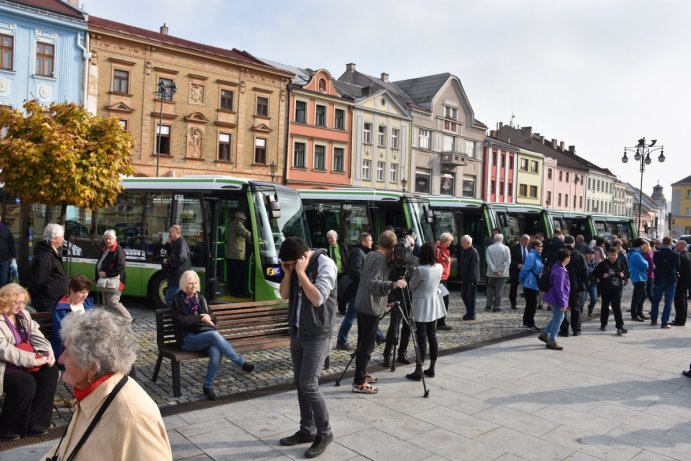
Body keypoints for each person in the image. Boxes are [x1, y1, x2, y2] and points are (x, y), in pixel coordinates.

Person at [44, 309, 172, 460]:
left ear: (92, 367)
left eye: (68, 352)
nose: (60, 359)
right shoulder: (92, 393)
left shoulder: (133, 417)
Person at [278, 236, 336, 458]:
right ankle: (307, 430)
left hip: (318, 334)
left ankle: (325, 432)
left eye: (292, 264)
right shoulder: (292, 268)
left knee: (309, 384)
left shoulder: (325, 264)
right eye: (287, 264)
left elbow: (318, 298)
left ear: (302, 257)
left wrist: (301, 273)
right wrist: (288, 273)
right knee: (300, 383)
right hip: (298, 332)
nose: (290, 267)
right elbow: (284, 294)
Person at [172, 270, 254, 400]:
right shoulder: (177, 300)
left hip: (203, 336)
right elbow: (180, 323)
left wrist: (207, 316)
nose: (194, 286)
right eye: (190, 283)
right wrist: (200, 317)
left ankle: (208, 387)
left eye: (195, 283)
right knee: (214, 336)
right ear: (184, 284)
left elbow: (213, 318)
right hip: (187, 340)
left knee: (216, 351)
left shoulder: (200, 299)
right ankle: (240, 362)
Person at [0, 283, 58, 440]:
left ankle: (36, 423)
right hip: (5, 365)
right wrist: (33, 360)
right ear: (4, 300)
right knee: (25, 383)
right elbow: (4, 349)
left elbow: (36, 334)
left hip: (24, 361)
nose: (20, 306)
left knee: (50, 371)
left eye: (23, 302)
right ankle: (8, 428)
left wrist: (48, 351)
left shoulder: (23, 314)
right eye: (16, 302)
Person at [352, 230, 406, 394]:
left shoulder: (371, 254)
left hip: (364, 304)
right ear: (392, 246)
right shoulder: (379, 259)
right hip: (369, 307)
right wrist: (392, 285)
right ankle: (359, 382)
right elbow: (372, 283)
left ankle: (361, 373)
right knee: (367, 346)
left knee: (363, 343)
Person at [405, 242, 445, 381]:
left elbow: (411, 286)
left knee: (421, 338)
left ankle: (418, 370)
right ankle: (432, 368)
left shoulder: (421, 270)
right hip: (432, 303)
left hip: (420, 305)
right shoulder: (439, 267)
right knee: (432, 336)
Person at [336, 232, 377, 350]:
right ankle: (341, 341)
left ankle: (378, 336)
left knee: (366, 315)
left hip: (362, 289)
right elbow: (355, 272)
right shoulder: (357, 252)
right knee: (351, 316)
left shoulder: (364, 252)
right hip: (357, 290)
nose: (372, 242)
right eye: (370, 240)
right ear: (363, 241)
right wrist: (368, 280)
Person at [51, 274, 95, 359]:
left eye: (87, 292)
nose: (85, 295)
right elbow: (60, 336)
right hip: (67, 349)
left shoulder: (87, 304)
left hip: (86, 345)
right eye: (82, 292)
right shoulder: (60, 309)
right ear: (71, 290)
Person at [29, 223, 68, 312]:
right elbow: (39, 280)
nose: (63, 239)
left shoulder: (49, 253)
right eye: (62, 237)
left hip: (52, 300)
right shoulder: (46, 256)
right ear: (54, 239)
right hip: (47, 302)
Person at [537, 248, 571, 350]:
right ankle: (552, 340)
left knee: (557, 317)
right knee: (559, 318)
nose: (570, 259)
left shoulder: (558, 267)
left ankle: (544, 334)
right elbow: (559, 289)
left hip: (555, 297)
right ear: (566, 258)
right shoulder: (560, 270)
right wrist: (563, 303)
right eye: (569, 257)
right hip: (557, 298)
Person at [96, 229, 131, 321]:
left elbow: (120, 267)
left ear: (115, 239)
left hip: (116, 281)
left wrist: (106, 273)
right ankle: (107, 322)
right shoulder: (104, 249)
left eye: (110, 238)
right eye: (106, 239)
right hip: (104, 281)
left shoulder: (118, 251)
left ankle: (128, 318)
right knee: (106, 303)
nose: (107, 241)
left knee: (113, 301)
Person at [593, 247, 628, 335]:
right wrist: (602, 276)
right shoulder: (602, 264)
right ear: (608, 255)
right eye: (610, 255)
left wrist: (623, 276)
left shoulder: (620, 264)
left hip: (617, 289)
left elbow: (627, 274)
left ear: (617, 255)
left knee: (616, 307)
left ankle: (620, 326)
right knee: (605, 306)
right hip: (605, 288)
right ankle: (603, 324)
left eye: (614, 255)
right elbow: (594, 274)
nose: (612, 257)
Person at [559, 236, 588, 337]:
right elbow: (585, 272)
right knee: (576, 308)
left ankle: (564, 330)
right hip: (576, 286)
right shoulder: (580, 256)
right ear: (574, 243)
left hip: (562, 286)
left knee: (563, 308)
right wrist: (583, 283)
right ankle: (576, 329)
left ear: (564, 243)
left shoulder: (560, 254)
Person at [650, 236, 680, 328]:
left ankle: (654, 320)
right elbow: (678, 267)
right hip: (670, 279)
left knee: (656, 300)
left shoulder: (657, 254)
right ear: (671, 243)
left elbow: (655, 264)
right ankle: (664, 322)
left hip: (659, 278)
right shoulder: (675, 255)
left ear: (663, 242)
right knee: (668, 302)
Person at [162, 224, 191, 307]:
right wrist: (168, 244)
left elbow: (181, 258)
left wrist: (168, 260)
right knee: (173, 298)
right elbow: (172, 253)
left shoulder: (181, 242)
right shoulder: (175, 243)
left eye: (171, 232)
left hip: (179, 277)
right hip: (175, 277)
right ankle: (176, 315)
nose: (169, 234)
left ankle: (175, 315)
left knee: (170, 298)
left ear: (177, 232)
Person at [519, 240, 544, 331]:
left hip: (533, 283)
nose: (542, 248)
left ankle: (527, 322)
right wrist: (521, 279)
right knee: (532, 304)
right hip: (530, 283)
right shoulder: (532, 256)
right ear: (535, 247)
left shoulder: (537, 256)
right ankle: (530, 323)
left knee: (530, 304)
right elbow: (525, 269)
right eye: (540, 246)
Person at [226, 211, 252, 297]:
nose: (243, 221)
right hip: (238, 254)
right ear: (238, 219)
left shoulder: (230, 224)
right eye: (242, 219)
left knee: (232, 275)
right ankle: (239, 293)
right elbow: (247, 234)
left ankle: (233, 292)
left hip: (230, 254)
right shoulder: (238, 225)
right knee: (239, 275)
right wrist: (257, 237)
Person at [485, 233, 511, 312]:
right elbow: (508, 260)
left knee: (490, 288)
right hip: (502, 273)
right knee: (499, 289)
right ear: (502, 239)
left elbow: (488, 260)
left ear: (494, 239)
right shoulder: (506, 248)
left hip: (491, 273)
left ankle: (488, 305)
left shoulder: (489, 248)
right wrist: (501, 269)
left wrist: (494, 269)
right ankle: (496, 306)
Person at [628, 238, 650, 323]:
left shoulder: (635, 253)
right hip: (639, 277)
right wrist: (647, 263)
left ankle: (639, 312)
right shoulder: (636, 255)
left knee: (643, 295)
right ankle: (634, 314)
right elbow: (645, 265)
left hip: (639, 276)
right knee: (637, 297)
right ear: (641, 245)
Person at [459, 235, 480, 321]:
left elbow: (474, 268)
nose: (461, 244)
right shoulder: (465, 251)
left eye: (462, 242)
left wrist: (471, 280)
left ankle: (471, 314)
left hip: (471, 279)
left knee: (471, 297)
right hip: (465, 278)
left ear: (467, 243)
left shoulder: (473, 252)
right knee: (464, 295)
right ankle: (470, 312)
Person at [435, 233, 453, 329]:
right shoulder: (438, 250)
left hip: (444, 278)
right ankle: (440, 323)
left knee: (443, 301)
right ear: (445, 241)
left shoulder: (444, 250)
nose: (450, 244)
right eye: (449, 242)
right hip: (440, 279)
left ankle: (440, 322)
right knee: (444, 301)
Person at [509, 234, 531, 310]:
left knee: (527, 287)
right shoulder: (514, 248)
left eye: (528, 242)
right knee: (514, 287)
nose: (526, 244)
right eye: (525, 242)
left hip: (527, 271)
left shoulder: (530, 248)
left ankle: (528, 303)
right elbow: (510, 260)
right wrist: (517, 265)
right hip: (516, 270)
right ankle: (513, 303)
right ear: (521, 241)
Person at [673, 239, 691, 326]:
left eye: (677, 245)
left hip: (682, 281)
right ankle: (680, 319)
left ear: (683, 246)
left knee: (679, 300)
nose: (676, 246)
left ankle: (679, 320)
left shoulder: (682, 255)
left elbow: (679, 268)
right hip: (686, 281)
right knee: (683, 300)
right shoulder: (688, 254)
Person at [0, 217, 16, 288]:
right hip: (5, 259)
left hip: (4, 260)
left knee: (4, 280)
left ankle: (2, 297)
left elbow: (11, 244)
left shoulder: (6, 230)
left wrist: (13, 257)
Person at [585, 248, 598, 317]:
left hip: (593, 283)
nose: (591, 256)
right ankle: (579, 312)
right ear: (586, 255)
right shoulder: (583, 262)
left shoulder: (596, 263)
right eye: (590, 254)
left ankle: (590, 308)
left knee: (594, 298)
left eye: (593, 254)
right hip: (584, 283)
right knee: (582, 299)